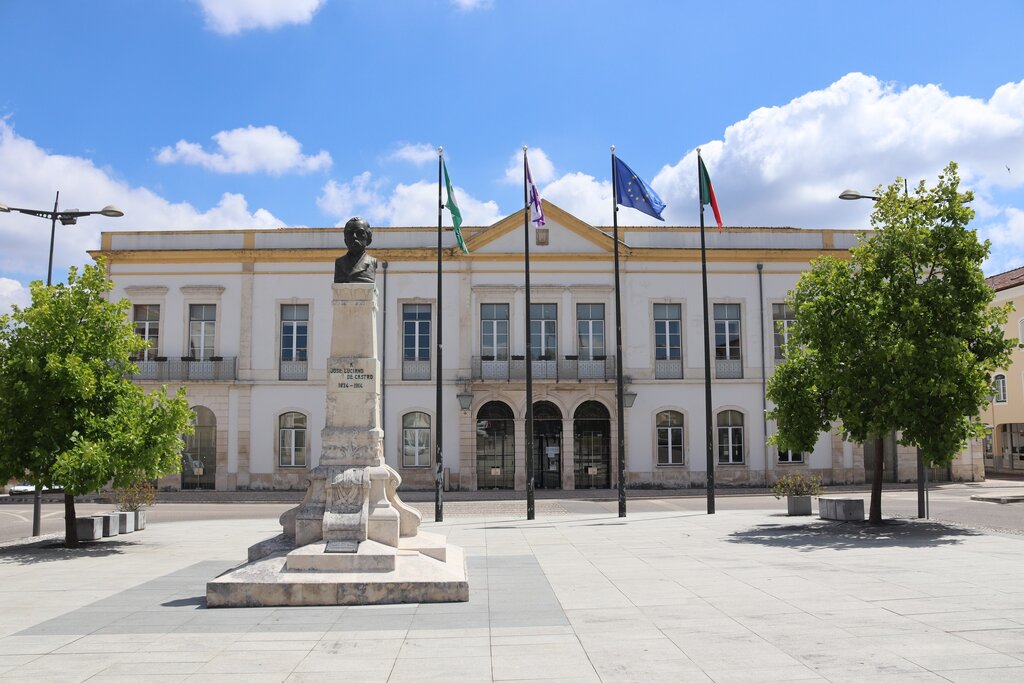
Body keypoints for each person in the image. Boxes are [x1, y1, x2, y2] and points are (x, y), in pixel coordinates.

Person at [333, 217, 377, 283]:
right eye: (350, 233)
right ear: (345, 240)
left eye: (359, 233)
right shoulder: (339, 263)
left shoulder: (372, 261)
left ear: (368, 239)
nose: (354, 236)